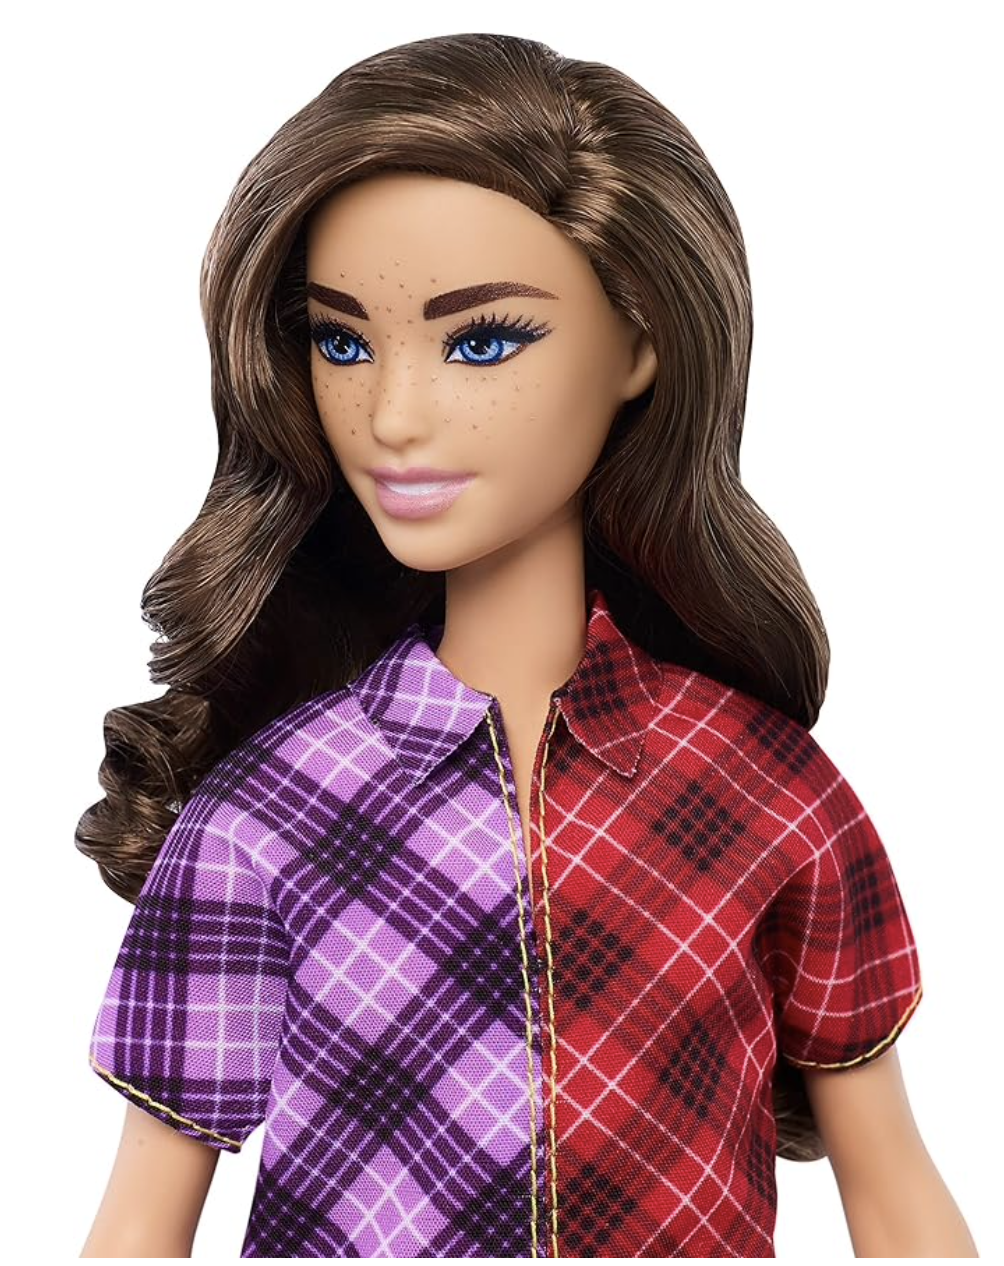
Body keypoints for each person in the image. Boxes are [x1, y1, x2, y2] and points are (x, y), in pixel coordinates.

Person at [77, 31, 977, 1259]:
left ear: (641, 343)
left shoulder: (767, 794)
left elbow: (894, 1194)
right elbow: (137, 1229)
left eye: (483, 340)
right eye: (342, 341)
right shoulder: (263, 817)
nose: (392, 415)